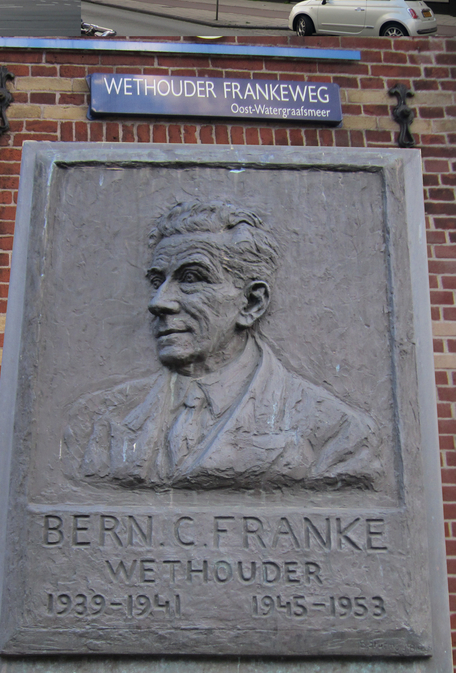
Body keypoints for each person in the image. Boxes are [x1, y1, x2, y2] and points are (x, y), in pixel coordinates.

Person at [63, 200, 382, 491]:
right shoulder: (99, 419)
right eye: (158, 281)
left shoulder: (337, 433)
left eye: (190, 279)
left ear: (251, 303)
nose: (159, 302)